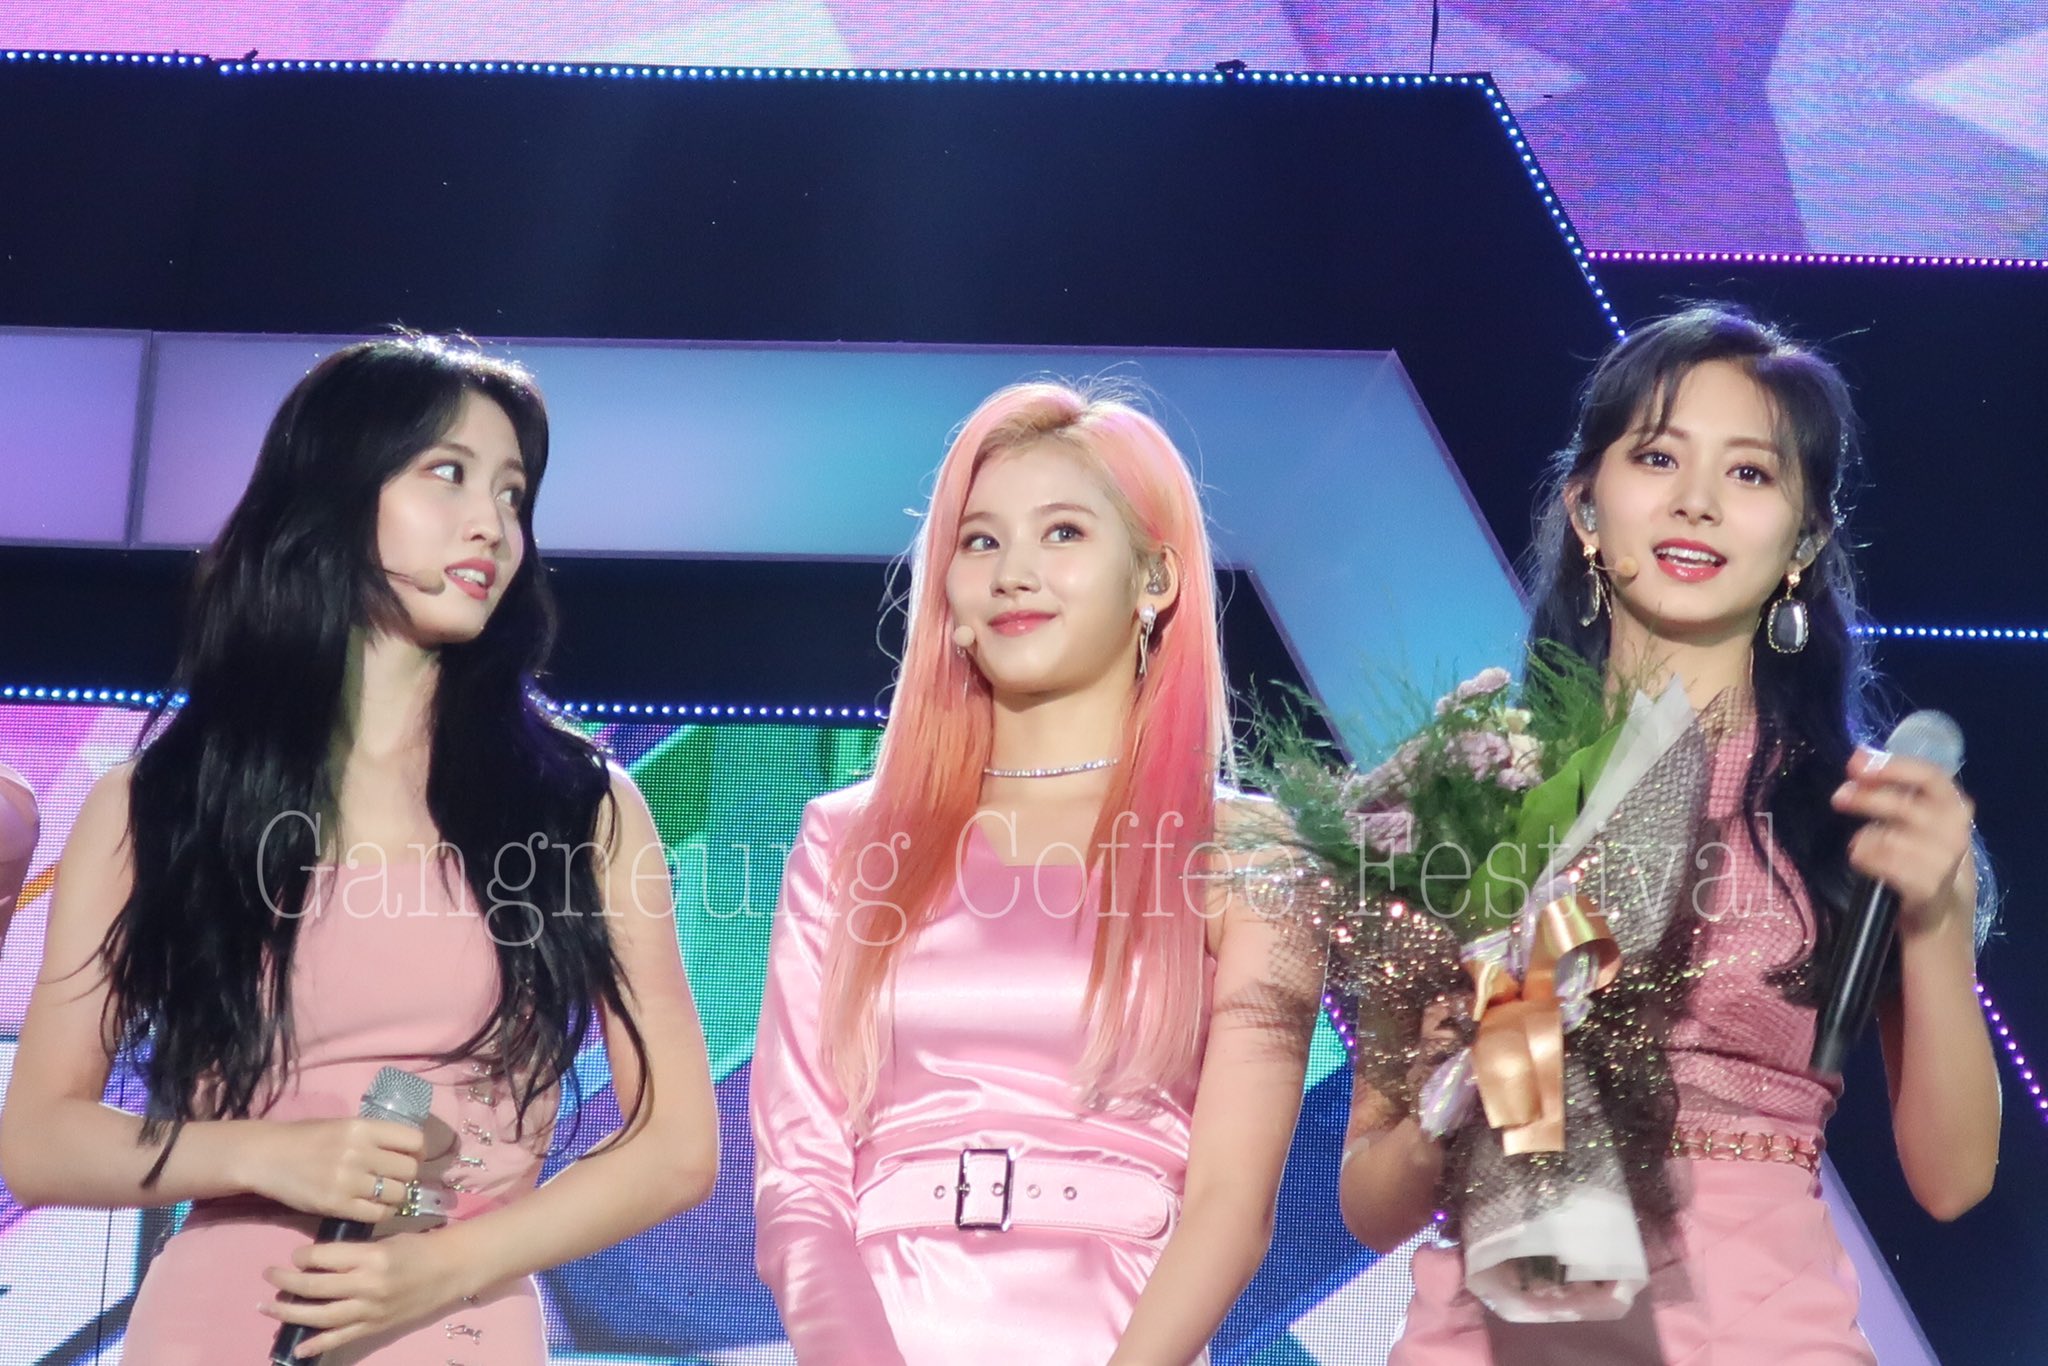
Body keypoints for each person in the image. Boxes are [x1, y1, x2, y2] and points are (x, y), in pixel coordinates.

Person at [0, 336, 720, 1364]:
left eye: (512, 493)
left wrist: (447, 1263)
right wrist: (271, 1156)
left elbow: (677, 1146)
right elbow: (40, 1138)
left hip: (451, 1318)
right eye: (447, 473)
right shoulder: (161, 803)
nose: (492, 524)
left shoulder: (577, 806)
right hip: (212, 1323)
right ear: (337, 489)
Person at [1340, 305, 1999, 1363]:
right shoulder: (1465, 795)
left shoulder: (1859, 811)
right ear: (1585, 507)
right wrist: (1464, 1088)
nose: (1695, 500)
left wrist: (1941, 919)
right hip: (1494, 1328)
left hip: (1757, 1332)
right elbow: (1370, 1204)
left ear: (1804, 541)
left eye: (1749, 472)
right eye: (1656, 456)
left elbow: (1953, 1178)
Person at [751, 381, 1321, 1365]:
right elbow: (799, 1185)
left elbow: (1232, 1206)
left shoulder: (1248, 854)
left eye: (1062, 533)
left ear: (1155, 579)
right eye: (980, 542)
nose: (1013, 572)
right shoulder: (845, 842)